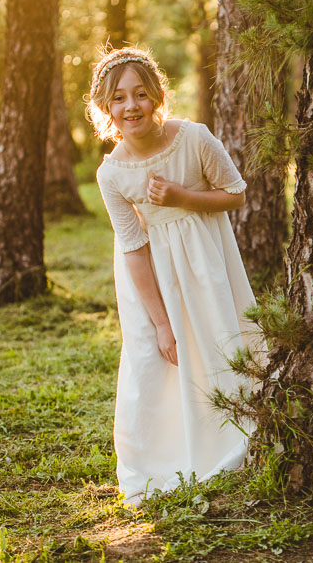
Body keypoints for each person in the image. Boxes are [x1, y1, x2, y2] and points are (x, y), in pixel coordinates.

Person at [87, 46, 256, 503]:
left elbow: (235, 193)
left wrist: (183, 197)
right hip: (150, 280)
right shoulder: (112, 173)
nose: (131, 106)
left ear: (158, 95)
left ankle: (230, 439)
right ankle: (163, 458)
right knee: (155, 361)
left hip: (204, 263)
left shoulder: (195, 138)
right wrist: (161, 322)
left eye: (140, 94)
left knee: (217, 341)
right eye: (118, 99)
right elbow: (134, 249)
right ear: (106, 108)